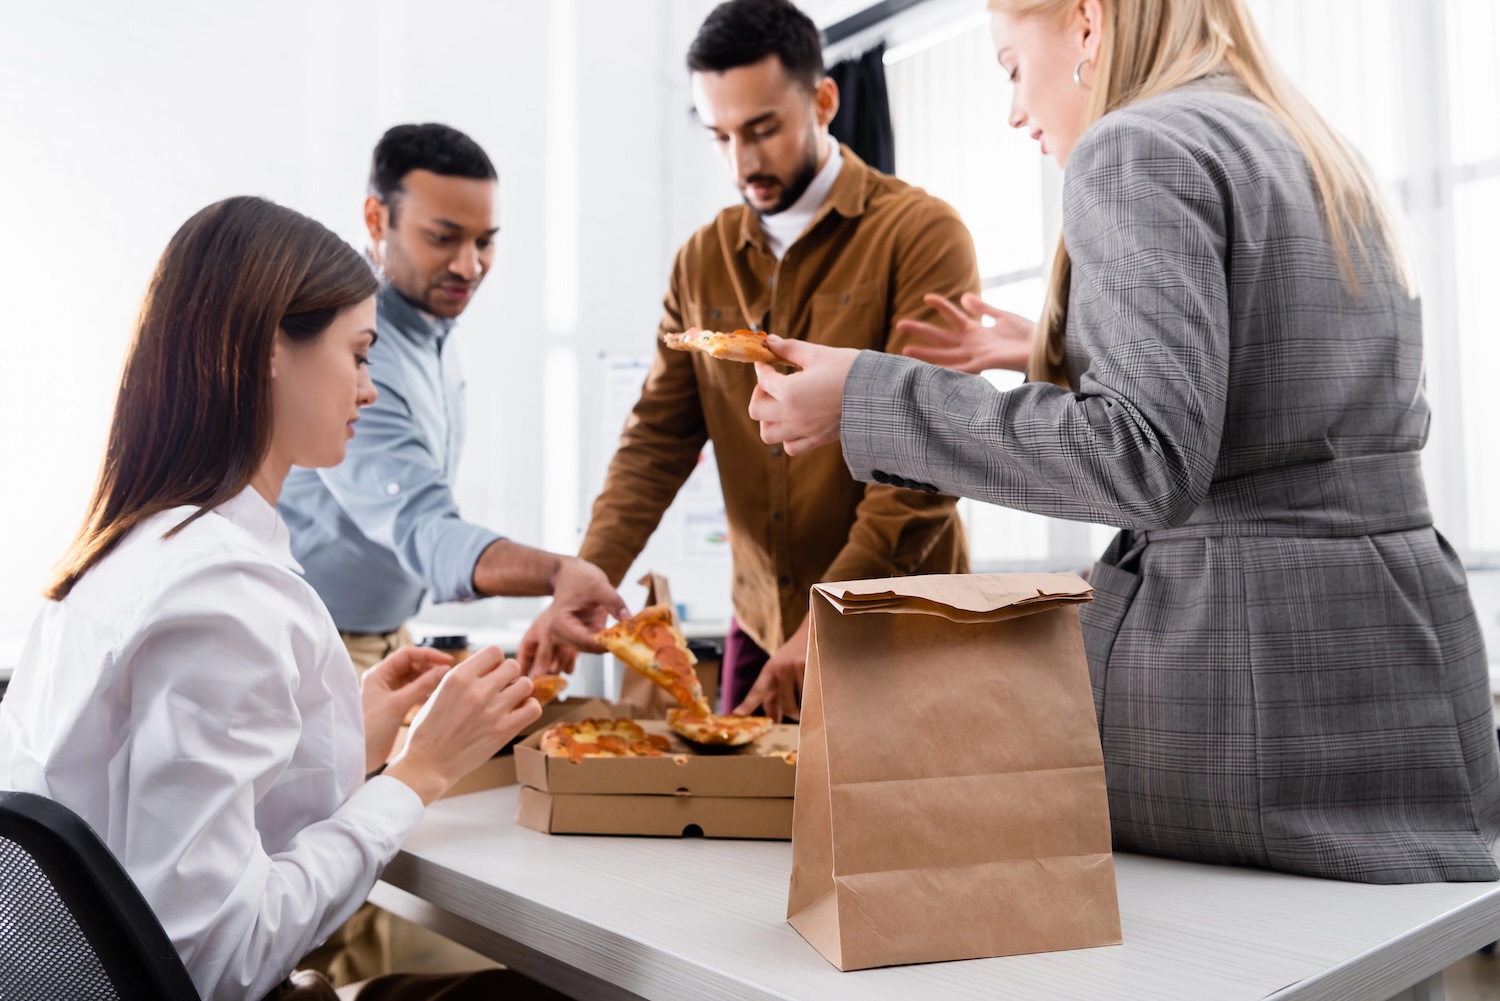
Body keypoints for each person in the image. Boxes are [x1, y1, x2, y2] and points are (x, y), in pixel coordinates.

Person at [747, 0, 1500, 883]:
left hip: (1241, 696)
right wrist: (1050, 347)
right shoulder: (1314, 146)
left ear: (1088, 25)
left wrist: (865, 396)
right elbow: (1277, 398)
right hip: (1405, 659)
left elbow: (1144, 458)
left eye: (1010, 67)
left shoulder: (1133, 148)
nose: (1015, 110)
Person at [0, 197, 568, 1001]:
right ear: (272, 347)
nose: (369, 391)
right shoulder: (223, 595)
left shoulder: (130, 550)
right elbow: (218, 960)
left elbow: (147, 834)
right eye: (359, 354)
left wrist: (346, 735)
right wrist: (419, 775)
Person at [523, 0, 980, 722]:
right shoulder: (699, 262)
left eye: (762, 129)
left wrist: (826, 617)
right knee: (744, 829)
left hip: (898, 617)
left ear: (824, 100)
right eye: (721, 136)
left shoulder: (921, 233)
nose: (742, 162)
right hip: (765, 629)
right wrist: (590, 573)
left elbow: (923, 460)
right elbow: (656, 442)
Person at [278, 123, 626, 678]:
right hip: (321, 643)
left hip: (386, 632)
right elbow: (421, 524)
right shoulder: (367, 352)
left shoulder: (428, 326)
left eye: (485, 240)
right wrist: (557, 572)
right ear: (376, 220)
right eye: (442, 238)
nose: (469, 266)